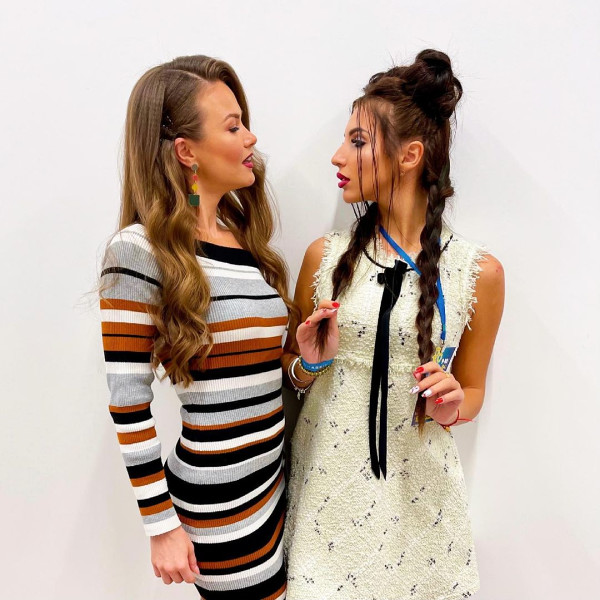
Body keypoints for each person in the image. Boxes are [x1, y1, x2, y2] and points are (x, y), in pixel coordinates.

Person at [281, 49, 505, 599]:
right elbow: (288, 376)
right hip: (326, 492)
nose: (337, 156)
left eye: (357, 141)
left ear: (410, 155)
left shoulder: (478, 273)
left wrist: (455, 404)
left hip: (418, 500)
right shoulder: (323, 258)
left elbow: (472, 389)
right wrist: (308, 365)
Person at [98, 55, 295, 600]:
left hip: (278, 482)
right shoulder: (138, 250)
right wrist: (160, 526)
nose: (251, 137)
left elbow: (260, 376)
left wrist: (305, 359)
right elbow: (128, 402)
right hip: (220, 505)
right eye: (233, 126)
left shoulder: (242, 239)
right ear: (186, 151)